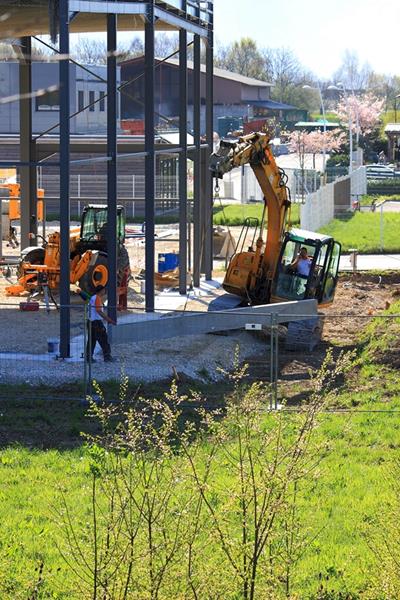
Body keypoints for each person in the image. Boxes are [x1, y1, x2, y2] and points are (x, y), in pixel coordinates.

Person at [86, 285, 116, 363]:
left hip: (90, 321)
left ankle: (88, 357)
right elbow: (99, 311)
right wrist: (109, 320)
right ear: (101, 290)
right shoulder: (97, 298)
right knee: (104, 339)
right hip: (96, 322)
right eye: (104, 290)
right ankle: (107, 356)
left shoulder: (93, 298)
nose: (105, 291)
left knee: (91, 340)